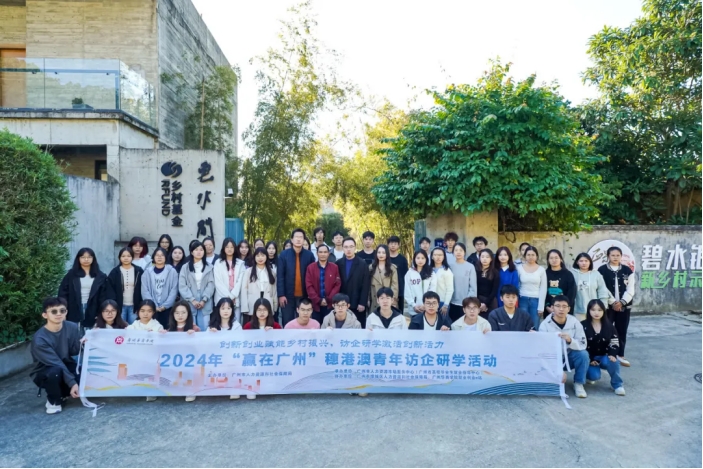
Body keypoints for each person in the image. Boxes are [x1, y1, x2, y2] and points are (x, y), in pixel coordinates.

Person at [30, 297, 81, 414]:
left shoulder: (72, 327)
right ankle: (53, 400)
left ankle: (63, 393)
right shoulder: (40, 339)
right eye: (54, 311)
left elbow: (74, 351)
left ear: (66, 312)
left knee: (85, 376)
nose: (59, 314)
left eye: (62, 310)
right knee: (55, 372)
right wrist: (72, 383)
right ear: (45, 315)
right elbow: (56, 363)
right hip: (46, 370)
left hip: (65, 364)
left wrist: (82, 343)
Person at [539, 295, 589, 398]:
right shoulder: (545, 325)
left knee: (583, 354)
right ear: (552, 308)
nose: (561, 309)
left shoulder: (574, 322)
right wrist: (558, 370)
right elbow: (542, 350)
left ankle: (578, 383)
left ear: (569, 309)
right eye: (558, 306)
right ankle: (553, 378)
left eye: (564, 306)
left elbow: (583, 344)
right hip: (552, 359)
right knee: (550, 387)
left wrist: (570, 340)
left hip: (569, 358)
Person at [58, 247, 113, 330]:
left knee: (90, 332)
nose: (86, 259)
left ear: (93, 259)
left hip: (93, 307)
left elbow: (103, 296)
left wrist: (101, 312)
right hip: (74, 306)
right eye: (83, 257)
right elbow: (63, 293)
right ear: (78, 259)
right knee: (74, 331)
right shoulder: (71, 275)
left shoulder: (100, 276)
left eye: (89, 257)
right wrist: (63, 309)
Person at [598, 246, 635, 367]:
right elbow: (602, 288)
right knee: (606, 329)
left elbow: (631, 289)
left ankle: (620, 354)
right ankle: (605, 354)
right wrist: (613, 302)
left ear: (621, 256)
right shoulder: (602, 270)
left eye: (618, 255)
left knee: (621, 330)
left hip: (624, 306)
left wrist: (622, 302)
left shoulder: (627, 270)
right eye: (613, 255)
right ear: (608, 256)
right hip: (608, 306)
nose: (615, 257)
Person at [582, 299, 625, 395]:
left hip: (605, 356)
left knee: (614, 361)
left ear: (604, 311)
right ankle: (589, 375)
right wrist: (590, 358)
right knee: (594, 376)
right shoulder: (583, 325)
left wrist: (612, 354)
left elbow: (615, 341)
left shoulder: (609, 326)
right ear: (588, 311)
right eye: (593, 310)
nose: (596, 313)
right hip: (590, 357)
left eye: (599, 310)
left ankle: (617, 385)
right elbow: (580, 344)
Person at [277, 229, 316, 326]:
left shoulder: (309, 255)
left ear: (304, 240)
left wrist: (311, 294)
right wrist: (281, 295)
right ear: (292, 239)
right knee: (287, 322)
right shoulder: (284, 255)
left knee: (304, 322)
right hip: (287, 296)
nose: (298, 239)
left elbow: (312, 276)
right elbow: (280, 276)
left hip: (304, 295)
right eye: (296, 237)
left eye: (301, 237)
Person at [208, 298, 243, 400]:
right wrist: (210, 335)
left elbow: (240, 345)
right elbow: (206, 346)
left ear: (232, 310)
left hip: (232, 358)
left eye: (228, 308)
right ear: (218, 310)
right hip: (217, 358)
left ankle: (234, 389)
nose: (226, 311)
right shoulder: (212, 327)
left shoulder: (237, 326)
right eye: (223, 308)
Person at [179, 240, 216, 331]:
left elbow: (211, 284)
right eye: (196, 250)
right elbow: (182, 286)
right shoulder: (185, 267)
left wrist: (204, 300)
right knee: (191, 327)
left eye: (201, 250)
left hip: (205, 300)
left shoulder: (210, 267)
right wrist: (192, 300)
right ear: (192, 252)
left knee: (205, 327)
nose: (199, 252)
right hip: (189, 300)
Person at [336, 237, 371, 327]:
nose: (348, 249)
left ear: (355, 247)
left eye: (351, 246)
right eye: (346, 247)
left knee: (358, 327)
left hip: (357, 303)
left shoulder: (362, 264)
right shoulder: (338, 263)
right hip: (342, 303)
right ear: (343, 248)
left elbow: (365, 284)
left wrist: (362, 303)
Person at [140, 247, 179, 328]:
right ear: (153, 257)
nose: (159, 257)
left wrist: (165, 306)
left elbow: (174, 290)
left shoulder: (172, 271)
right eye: (157, 255)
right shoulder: (147, 272)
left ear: (166, 257)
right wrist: (153, 306)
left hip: (168, 308)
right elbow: (145, 291)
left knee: (166, 330)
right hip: (151, 308)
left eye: (162, 255)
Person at [305, 244, 341, 324]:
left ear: (328, 254)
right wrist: (318, 300)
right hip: (315, 304)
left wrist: (328, 299)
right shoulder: (310, 268)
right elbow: (309, 286)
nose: (323, 254)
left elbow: (337, 285)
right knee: (316, 326)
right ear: (317, 253)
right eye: (320, 252)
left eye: (325, 252)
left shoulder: (334, 267)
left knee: (329, 326)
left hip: (330, 304)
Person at [107, 247, 143, 325]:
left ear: (132, 257)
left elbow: (143, 288)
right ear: (119, 258)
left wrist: (140, 305)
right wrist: (114, 305)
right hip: (120, 306)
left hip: (134, 307)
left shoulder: (139, 271)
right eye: (123, 256)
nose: (126, 258)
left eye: (128, 256)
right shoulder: (115, 272)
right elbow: (109, 289)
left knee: (134, 327)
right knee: (120, 327)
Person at [241, 247, 278, 324]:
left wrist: (275, 306)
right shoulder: (248, 272)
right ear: (254, 257)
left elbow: (274, 291)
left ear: (266, 257)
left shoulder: (272, 272)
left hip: (267, 303)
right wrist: (245, 307)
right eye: (257, 256)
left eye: (262, 255)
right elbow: (244, 290)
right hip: (252, 303)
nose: (260, 258)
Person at [213, 237, 245, 322]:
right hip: (222, 297)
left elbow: (240, 282)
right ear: (223, 248)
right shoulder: (218, 263)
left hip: (236, 298)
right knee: (222, 322)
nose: (229, 249)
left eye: (232, 247)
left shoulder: (240, 263)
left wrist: (233, 296)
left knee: (236, 322)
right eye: (227, 247)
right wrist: (228, 297)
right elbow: (218, 282)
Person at [571, 253, 609, 321]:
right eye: (581, 261)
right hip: (577, 310)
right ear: (577, 262)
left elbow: (602, 290)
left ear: (590, 262)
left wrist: (603, 305)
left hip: (594, 309)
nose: (584, 263)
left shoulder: (596, 274)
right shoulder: (572, 274)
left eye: (586, 261)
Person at [517, 246, 547, 330]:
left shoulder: (541, 270)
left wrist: (541, 307)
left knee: (534, 325)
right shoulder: (519, 268)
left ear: (536, 256)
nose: (530, 257)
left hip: (536, 300)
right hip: (522, 299)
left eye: (533, 255)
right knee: (522, 324)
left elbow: (543, 288)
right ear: (525, 256)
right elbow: (517, 285)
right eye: (528, 255)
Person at [448, 243, 477, 322]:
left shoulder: (470, 266)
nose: (458, 252)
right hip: (452, 302)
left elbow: (473, 286)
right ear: (453, 252)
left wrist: (469, 301)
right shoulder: (449, 266)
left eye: (461, 250)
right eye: (456, 250)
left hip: (466, 303)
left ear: (464, 252)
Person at [404, 250, 436, 318]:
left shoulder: (431, 273)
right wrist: (413, 305)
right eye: (418, 258)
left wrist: (426, 304)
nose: (420, 260)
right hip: (414, 309)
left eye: (422, 258)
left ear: (426, 259)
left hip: (428, 308)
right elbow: (407, 291)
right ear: (414, 259)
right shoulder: (409, 273)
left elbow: (433, 289)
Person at [544, 249, 577, 317]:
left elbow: (572, 293)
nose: (554, 260)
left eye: (556, 257)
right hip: (549, 309)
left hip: (564, 310)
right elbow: (542, 292)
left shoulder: (568, 274)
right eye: (551, 258)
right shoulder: (544, 274)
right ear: (548, 260)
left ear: (561, 259)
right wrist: (547, 306)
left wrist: (564, 307)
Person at [369, 245, 399, 313]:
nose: (381, 255)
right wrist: (367, 299)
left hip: (388, 299)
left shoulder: (392, 268)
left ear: (387, 254)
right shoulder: (371, 267)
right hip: (374, 299)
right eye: (379, 252)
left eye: (383, 252)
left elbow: (395, 286)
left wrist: (393, 301)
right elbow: (367, 285)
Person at [475, 249, 499, 319]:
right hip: (477, 300)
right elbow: (474, 287)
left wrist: (486, 303)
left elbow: (494, 290)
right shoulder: (475, 270)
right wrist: (478, 303)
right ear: (479, 258)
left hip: (490, 301)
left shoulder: (495, 272)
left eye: (487, 257)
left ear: (491, 259)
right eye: (482, 257)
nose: (484, 259)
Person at [387, 236, 409, 311]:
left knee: (399, 311)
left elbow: (405, 275)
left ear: (399, 245)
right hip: (387, 288)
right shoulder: (385, 258)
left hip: (400, 289)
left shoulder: (403, 259)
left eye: (395, 243)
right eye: (391, 243)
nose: (393, 245)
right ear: (388, 245)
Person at [430, 247, 453, 316]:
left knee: (442, 322)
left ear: (444, 257)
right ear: (432, 257)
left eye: (440, 255)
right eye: (435, 255)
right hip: (429, 301)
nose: (438, 257)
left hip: (442, 302)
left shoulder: (447, 271)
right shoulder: (428, 270)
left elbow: (450, 289)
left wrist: (446, 304)